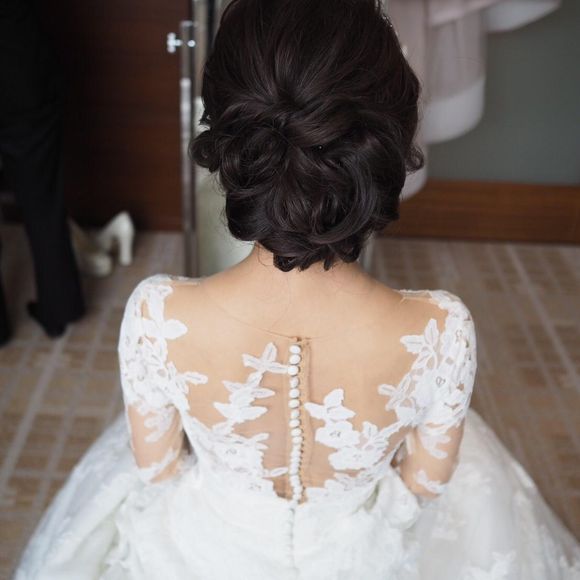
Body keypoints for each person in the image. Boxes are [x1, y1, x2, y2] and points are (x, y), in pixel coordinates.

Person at [13, 0, 580, 578]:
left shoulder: (158, 314)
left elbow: (157, 470)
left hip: (208, 552)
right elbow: (425, 485)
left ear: (229, 139)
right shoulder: (442, 330)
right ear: (387, 143)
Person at [0, 0, 85, 342]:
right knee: (43, 203)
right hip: (21, 72)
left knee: (43, 202)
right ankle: (59, 311)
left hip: (23, 71)